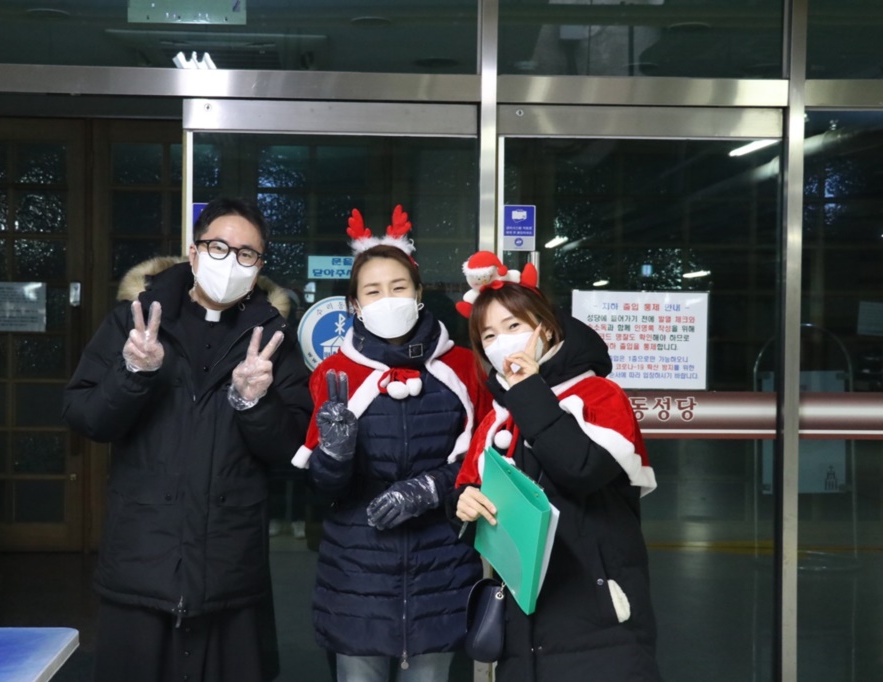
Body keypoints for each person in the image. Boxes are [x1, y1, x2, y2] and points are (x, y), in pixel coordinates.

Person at [63, 197, 313, 682]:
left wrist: (255, 403)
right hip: (141, 562)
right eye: (219, 247)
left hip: (229, 568)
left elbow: (294, 449)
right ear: (194, 253)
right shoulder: (133, 321)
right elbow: (85, 417)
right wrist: (132, 373)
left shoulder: (272, 338)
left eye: (246, 254)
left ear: (258, 267)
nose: (231, 261)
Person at [291, 206, 492, 681]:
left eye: (399, 287)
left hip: (441, 567)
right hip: (356, 571)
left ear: (419, 294)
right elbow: (322, 486)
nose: (388, 299)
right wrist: (335, 454)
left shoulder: (463, 367)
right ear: (355, 305)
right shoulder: (334, 373)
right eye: (373, 291)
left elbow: (486, 455)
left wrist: (430, 488)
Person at [451, 252, 661, 681]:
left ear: (545, 329)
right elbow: (470, 494)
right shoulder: (497, 418)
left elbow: (581, 469)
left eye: (514, 326)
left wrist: (528, 389)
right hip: (524, 625)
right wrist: (463, 503)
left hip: (601, 618)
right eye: (488, 335)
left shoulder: (600, 396)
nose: (501, 342)